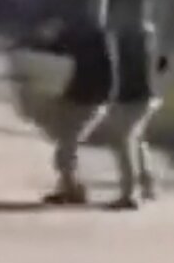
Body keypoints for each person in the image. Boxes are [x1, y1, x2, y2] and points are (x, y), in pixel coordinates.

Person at [30, 14, 116, 205]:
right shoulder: (91, 47)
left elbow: (54, 51)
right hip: (78, 98)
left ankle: (74, 189)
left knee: (67, 146)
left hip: (87, 101)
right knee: (65, 144)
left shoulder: (89, 48)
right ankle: (68, 188)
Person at [103, 14, 169, 210]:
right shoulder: (147, 51)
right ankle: (147, 185)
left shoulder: (133, 50)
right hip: (142, 98)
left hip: (137, 98)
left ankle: (129, 193)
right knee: (136, 140)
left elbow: (125, 74)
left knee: (124, 141)